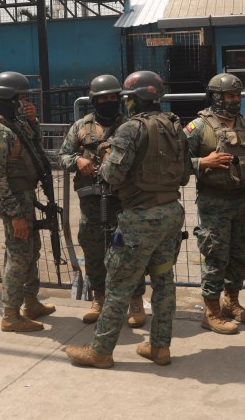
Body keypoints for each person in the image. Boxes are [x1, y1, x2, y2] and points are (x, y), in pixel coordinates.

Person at [65, 70, 190, 368]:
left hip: (139, 217)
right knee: (163, 281)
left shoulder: (130, 129)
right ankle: (160, 347)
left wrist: (107, 159)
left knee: (118, 284)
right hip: (171, 212)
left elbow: (111, 174)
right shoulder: (175, 127)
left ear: (133, 100)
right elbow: (185, 174)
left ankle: (101, 351)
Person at [58, 74, 147, 326]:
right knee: (94, 252)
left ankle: (135, 301)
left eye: (112, 97)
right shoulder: (81, 127)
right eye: (102, 98)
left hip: (124, 202)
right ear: (94, 101)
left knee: (128, 251)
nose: (108, 101)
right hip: (92, 204)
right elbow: (62, 156)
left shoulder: (131, 125)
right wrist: (78, 161)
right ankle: (99, 298)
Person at [185, 73, 245, 335]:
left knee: (239, 253)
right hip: (214, 202)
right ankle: (212, 311)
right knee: (215, 255)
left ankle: (232, 302)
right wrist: (201, 163)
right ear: (216, 97)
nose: (236, 100)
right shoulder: (198, 127)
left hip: (243, 200)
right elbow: (174, 163)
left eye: (238, 95)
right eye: (231, 95)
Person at [0, 71, 56, 332]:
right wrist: (15, 215)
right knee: (18, 254)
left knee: (30, 250)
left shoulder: (16, 121)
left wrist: (33, 121)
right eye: (20, 97)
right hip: (13, 199)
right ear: (7, 97)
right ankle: (10, 315)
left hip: (25, 195)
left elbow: (32, 145)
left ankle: (31, 302)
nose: (24, 102)